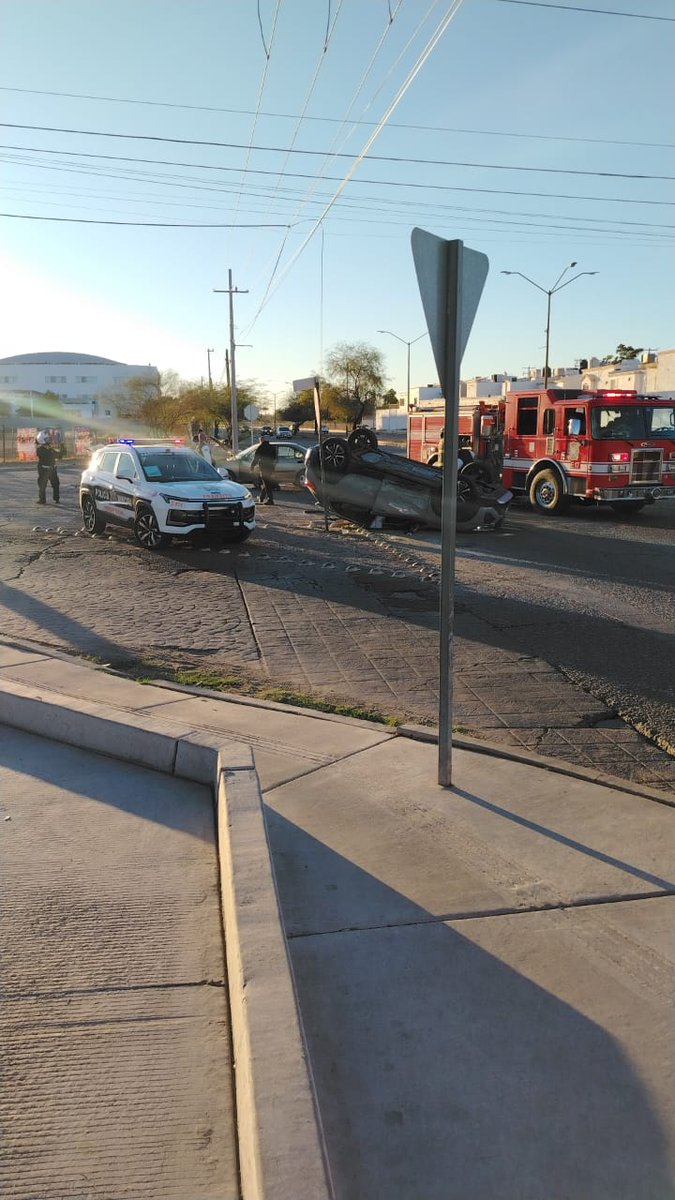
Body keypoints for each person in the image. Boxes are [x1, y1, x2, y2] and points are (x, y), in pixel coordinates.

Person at [251, 433, 276, 504]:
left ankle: (270, 499)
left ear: (261, 440)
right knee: (266, 482)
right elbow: (274, 457)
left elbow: (256, 458)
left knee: (266, 483)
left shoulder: (260, 447)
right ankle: (261, 497)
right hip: (271, 467)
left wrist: (252, 466)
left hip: (263, 467)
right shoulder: (272, 447)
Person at [36, 431, 60, 505]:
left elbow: (57, 455)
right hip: (44, 469)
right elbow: (48, 455)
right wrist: (52, 451)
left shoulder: (50, 448)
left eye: (48, 439)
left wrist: (58, 452)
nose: (48, 440)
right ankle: (42, 500)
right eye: (46, 439)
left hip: (52, 469)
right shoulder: (40, 449)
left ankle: (56, 498)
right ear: (41, 440)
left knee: (56, 484)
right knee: (42, 485)